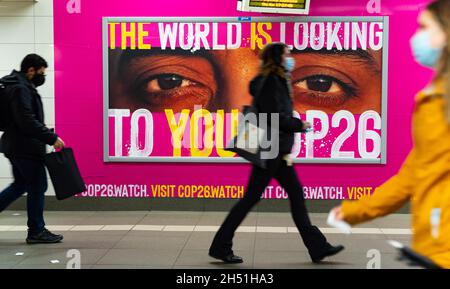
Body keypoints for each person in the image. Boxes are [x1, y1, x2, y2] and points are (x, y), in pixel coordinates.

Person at [331, 0, 450, 269]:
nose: (415, 37)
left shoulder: (440, 102)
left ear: (446, 33)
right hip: (434, 244)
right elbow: (414, 173)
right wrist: (354, 211)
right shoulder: (435, 99)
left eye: (424, 27)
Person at [208, 43, 344, 264]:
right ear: (278, 59)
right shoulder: (273, 83)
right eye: (287, 54)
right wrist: (299, 125)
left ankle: (318, 247)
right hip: (271, 149)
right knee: (253, 199)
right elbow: (275, 117)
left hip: (276, 150)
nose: (290, 58)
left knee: (292, 197)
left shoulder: (272, 82)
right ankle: (221, 246)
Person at [0, 54, 65, 244]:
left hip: (15, 145)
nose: (42, 76)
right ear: (31, 71)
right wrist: (51, 138)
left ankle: (37, 229)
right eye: (41, 72)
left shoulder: (14, 85)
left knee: (20, 185)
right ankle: (36, 230)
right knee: (37, 186)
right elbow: (26, 120)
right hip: (25, 147)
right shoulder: (21, 88)